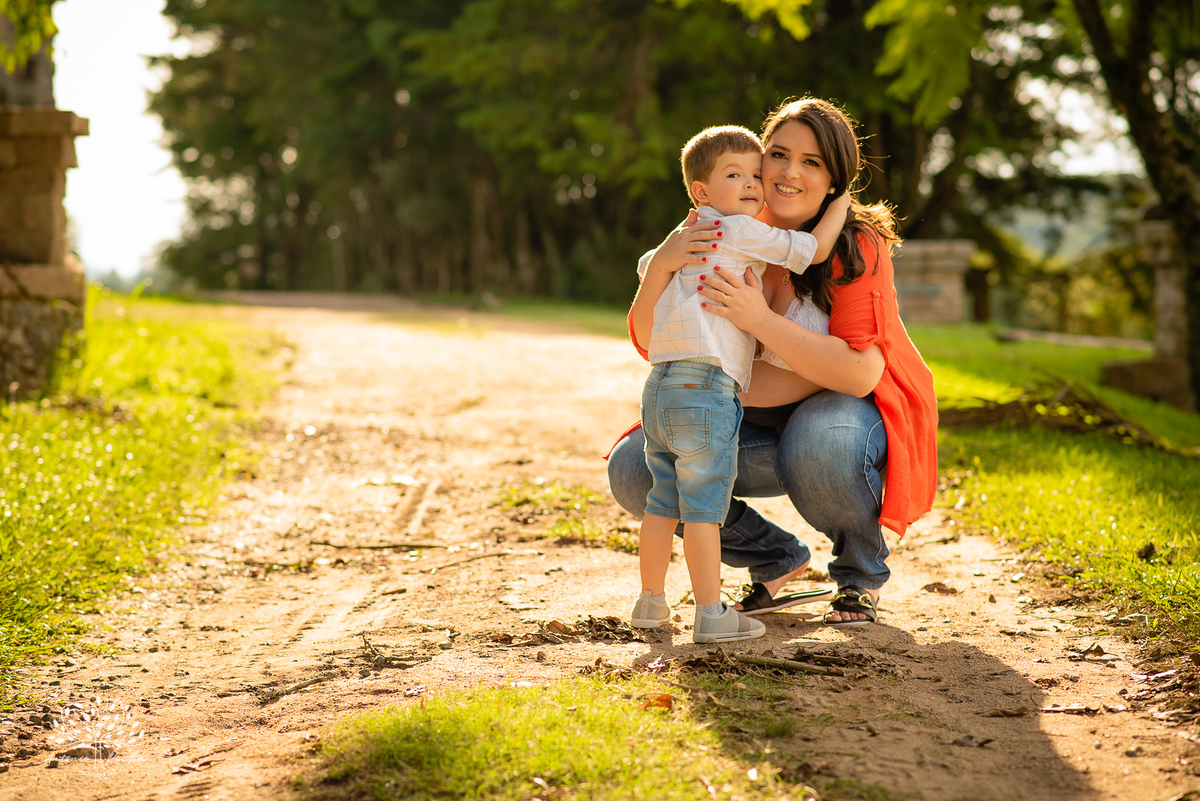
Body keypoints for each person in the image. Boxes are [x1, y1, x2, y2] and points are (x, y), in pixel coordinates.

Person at [609, 97, 938, 628]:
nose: (787, 173)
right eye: (778, 154)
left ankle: (858, 578)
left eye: (811, 162)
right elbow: (659, 344)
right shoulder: (729, 226)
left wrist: (758, 321)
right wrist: (662, 267)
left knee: (820, 443)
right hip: (749, 412)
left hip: (843, 414)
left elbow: (857, 373)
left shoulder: (854, 245)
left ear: (834, 179)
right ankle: (775, 559)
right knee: (635, 469)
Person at [629, 124, 849, 643]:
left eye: (756, 174)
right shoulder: (737, 229)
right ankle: (710, 613)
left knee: (664, 502)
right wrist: (839, 203)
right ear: (701, 191)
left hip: (660, 386)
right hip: (707, 388)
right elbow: (812, 251)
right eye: (735, 175)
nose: (753, 185)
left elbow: (646, 268)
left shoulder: (683, 235)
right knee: (705, 510)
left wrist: (668, 255)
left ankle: (650, 603)